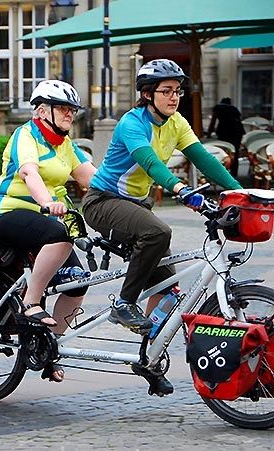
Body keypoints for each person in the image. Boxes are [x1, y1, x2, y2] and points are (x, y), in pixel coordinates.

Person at [81, 59, 242, 395]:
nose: (174, 97)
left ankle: (148, 359)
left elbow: (204, 159)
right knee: (157, 232)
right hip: (103, 202)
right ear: (147, 93)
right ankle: (123, 304)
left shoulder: (177, 123)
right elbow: (151, 163)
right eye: (166, 91)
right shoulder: (131, 123)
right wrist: (182, 190)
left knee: (169, 290)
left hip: (137, 207)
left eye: (178, 91)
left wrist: (239, 193)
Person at [0, 80, 96, 382]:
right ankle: (31, 302)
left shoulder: (66, 145)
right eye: (63, 108)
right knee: (60, 234)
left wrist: (125, 197)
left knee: (77, 284)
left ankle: (48, 346)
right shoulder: (26, 135)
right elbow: (29, 172)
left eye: (72, 109)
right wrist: (47, 202)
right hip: (9, 213)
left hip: (47, 221)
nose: (70, 114)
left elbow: (92, 177)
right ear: (43, 111)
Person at [206, 97, 245, 177]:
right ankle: (234, 174)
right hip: (237, 131)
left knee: (224, 151)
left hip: (225, 130)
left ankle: (223, 172)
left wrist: (209, 134)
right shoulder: (234, 109)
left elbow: (213, 121)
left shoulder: (218, 107)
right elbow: (239, 120)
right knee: (235, 152)